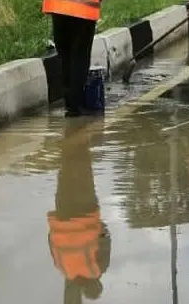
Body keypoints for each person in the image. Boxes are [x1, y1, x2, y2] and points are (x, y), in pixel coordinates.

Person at [47, 126, 111, 302]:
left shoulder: (97, 269)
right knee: (66, 172)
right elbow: (50, 242)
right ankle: (68, 136)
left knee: (83, 167)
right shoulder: (63, 269)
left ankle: (82, 130)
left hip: (86, 210)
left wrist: (99, 223)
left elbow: (105, 239)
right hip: (62, 212)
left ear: (96, 282)